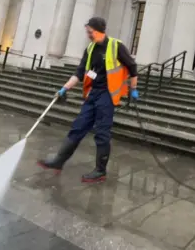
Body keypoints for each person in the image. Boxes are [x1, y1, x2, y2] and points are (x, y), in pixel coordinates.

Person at [37, 17, 139, 183]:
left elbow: (132, 67)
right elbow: (80, 72)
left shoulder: (116, 46)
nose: (88, 35)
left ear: (99, 30)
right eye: (88, 32)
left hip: (108, 94)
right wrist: (64, 88)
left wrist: (133, 89)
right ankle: (58, 162)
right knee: (78, 127)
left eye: (90, 32)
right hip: (93, 94)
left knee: (102, 133)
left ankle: (100, 171)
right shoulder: (90, 49)